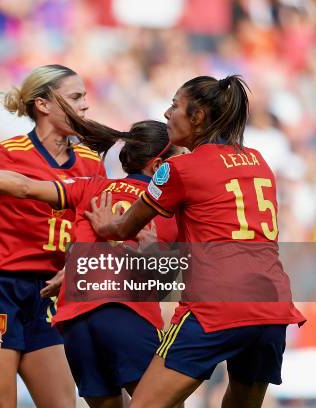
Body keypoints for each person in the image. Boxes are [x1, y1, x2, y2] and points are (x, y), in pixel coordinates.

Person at [0, 117, 184, 408]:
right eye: (182, 157)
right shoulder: (170, 205)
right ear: (158, 166)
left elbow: (23, 186)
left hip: (75, 321)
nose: (186, 164)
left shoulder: (92, 187)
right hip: (126, 314)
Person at [79, 75, 306, 408]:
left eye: (174, 105)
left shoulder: (178, 169)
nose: (167, 113)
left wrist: (106, 226)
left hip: (214, 309)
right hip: (271, 307)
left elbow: (127, 227)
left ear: (197, 116)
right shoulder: (259, 161)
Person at [0, 64, 105, 407]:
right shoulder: (11, 151)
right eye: (76, 97)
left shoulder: (91, 162)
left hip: (51, 293)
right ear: (44, 104)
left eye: (85, 97)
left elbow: (96, 227)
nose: (85, 105)